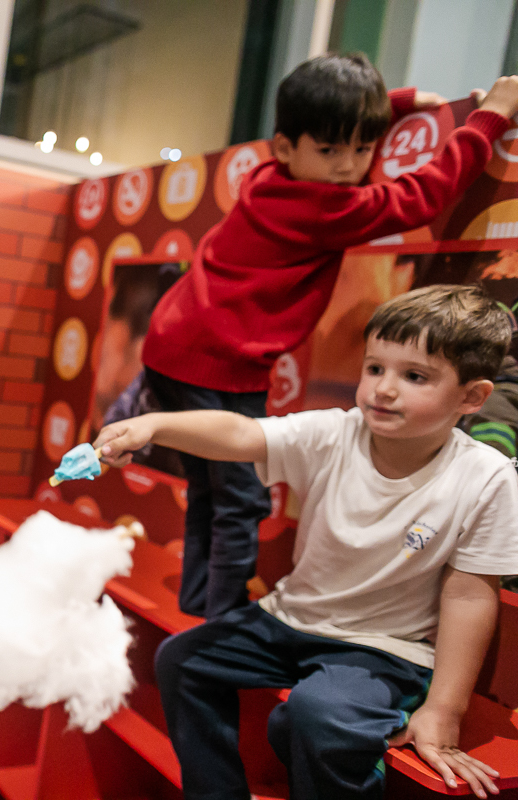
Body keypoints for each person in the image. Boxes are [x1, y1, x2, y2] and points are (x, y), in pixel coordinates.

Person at [96, 284, 518, 799]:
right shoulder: (336, 433)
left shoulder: (487, 476)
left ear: (472, 397)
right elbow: (240, 433)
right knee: (182, 660)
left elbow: (471, 594)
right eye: (374, 368)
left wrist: (443, 711)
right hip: (288, 619)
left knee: (317, 714)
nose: (383, 389)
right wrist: (153, 425)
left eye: (414, 376)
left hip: (384, 648)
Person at [137, 53, 518, 619]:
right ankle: (220, 622)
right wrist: (488, 119)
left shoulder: (269, 178)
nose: (349, 166)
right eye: (333, 151)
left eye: (362, 148)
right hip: (216, 363)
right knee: (239, 499)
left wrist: (403, 103)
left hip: (175, 347)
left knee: (211, 490)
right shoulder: (325, 208)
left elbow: (324, 125)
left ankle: (199, 606)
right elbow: (423, 195)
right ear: (288, 147)